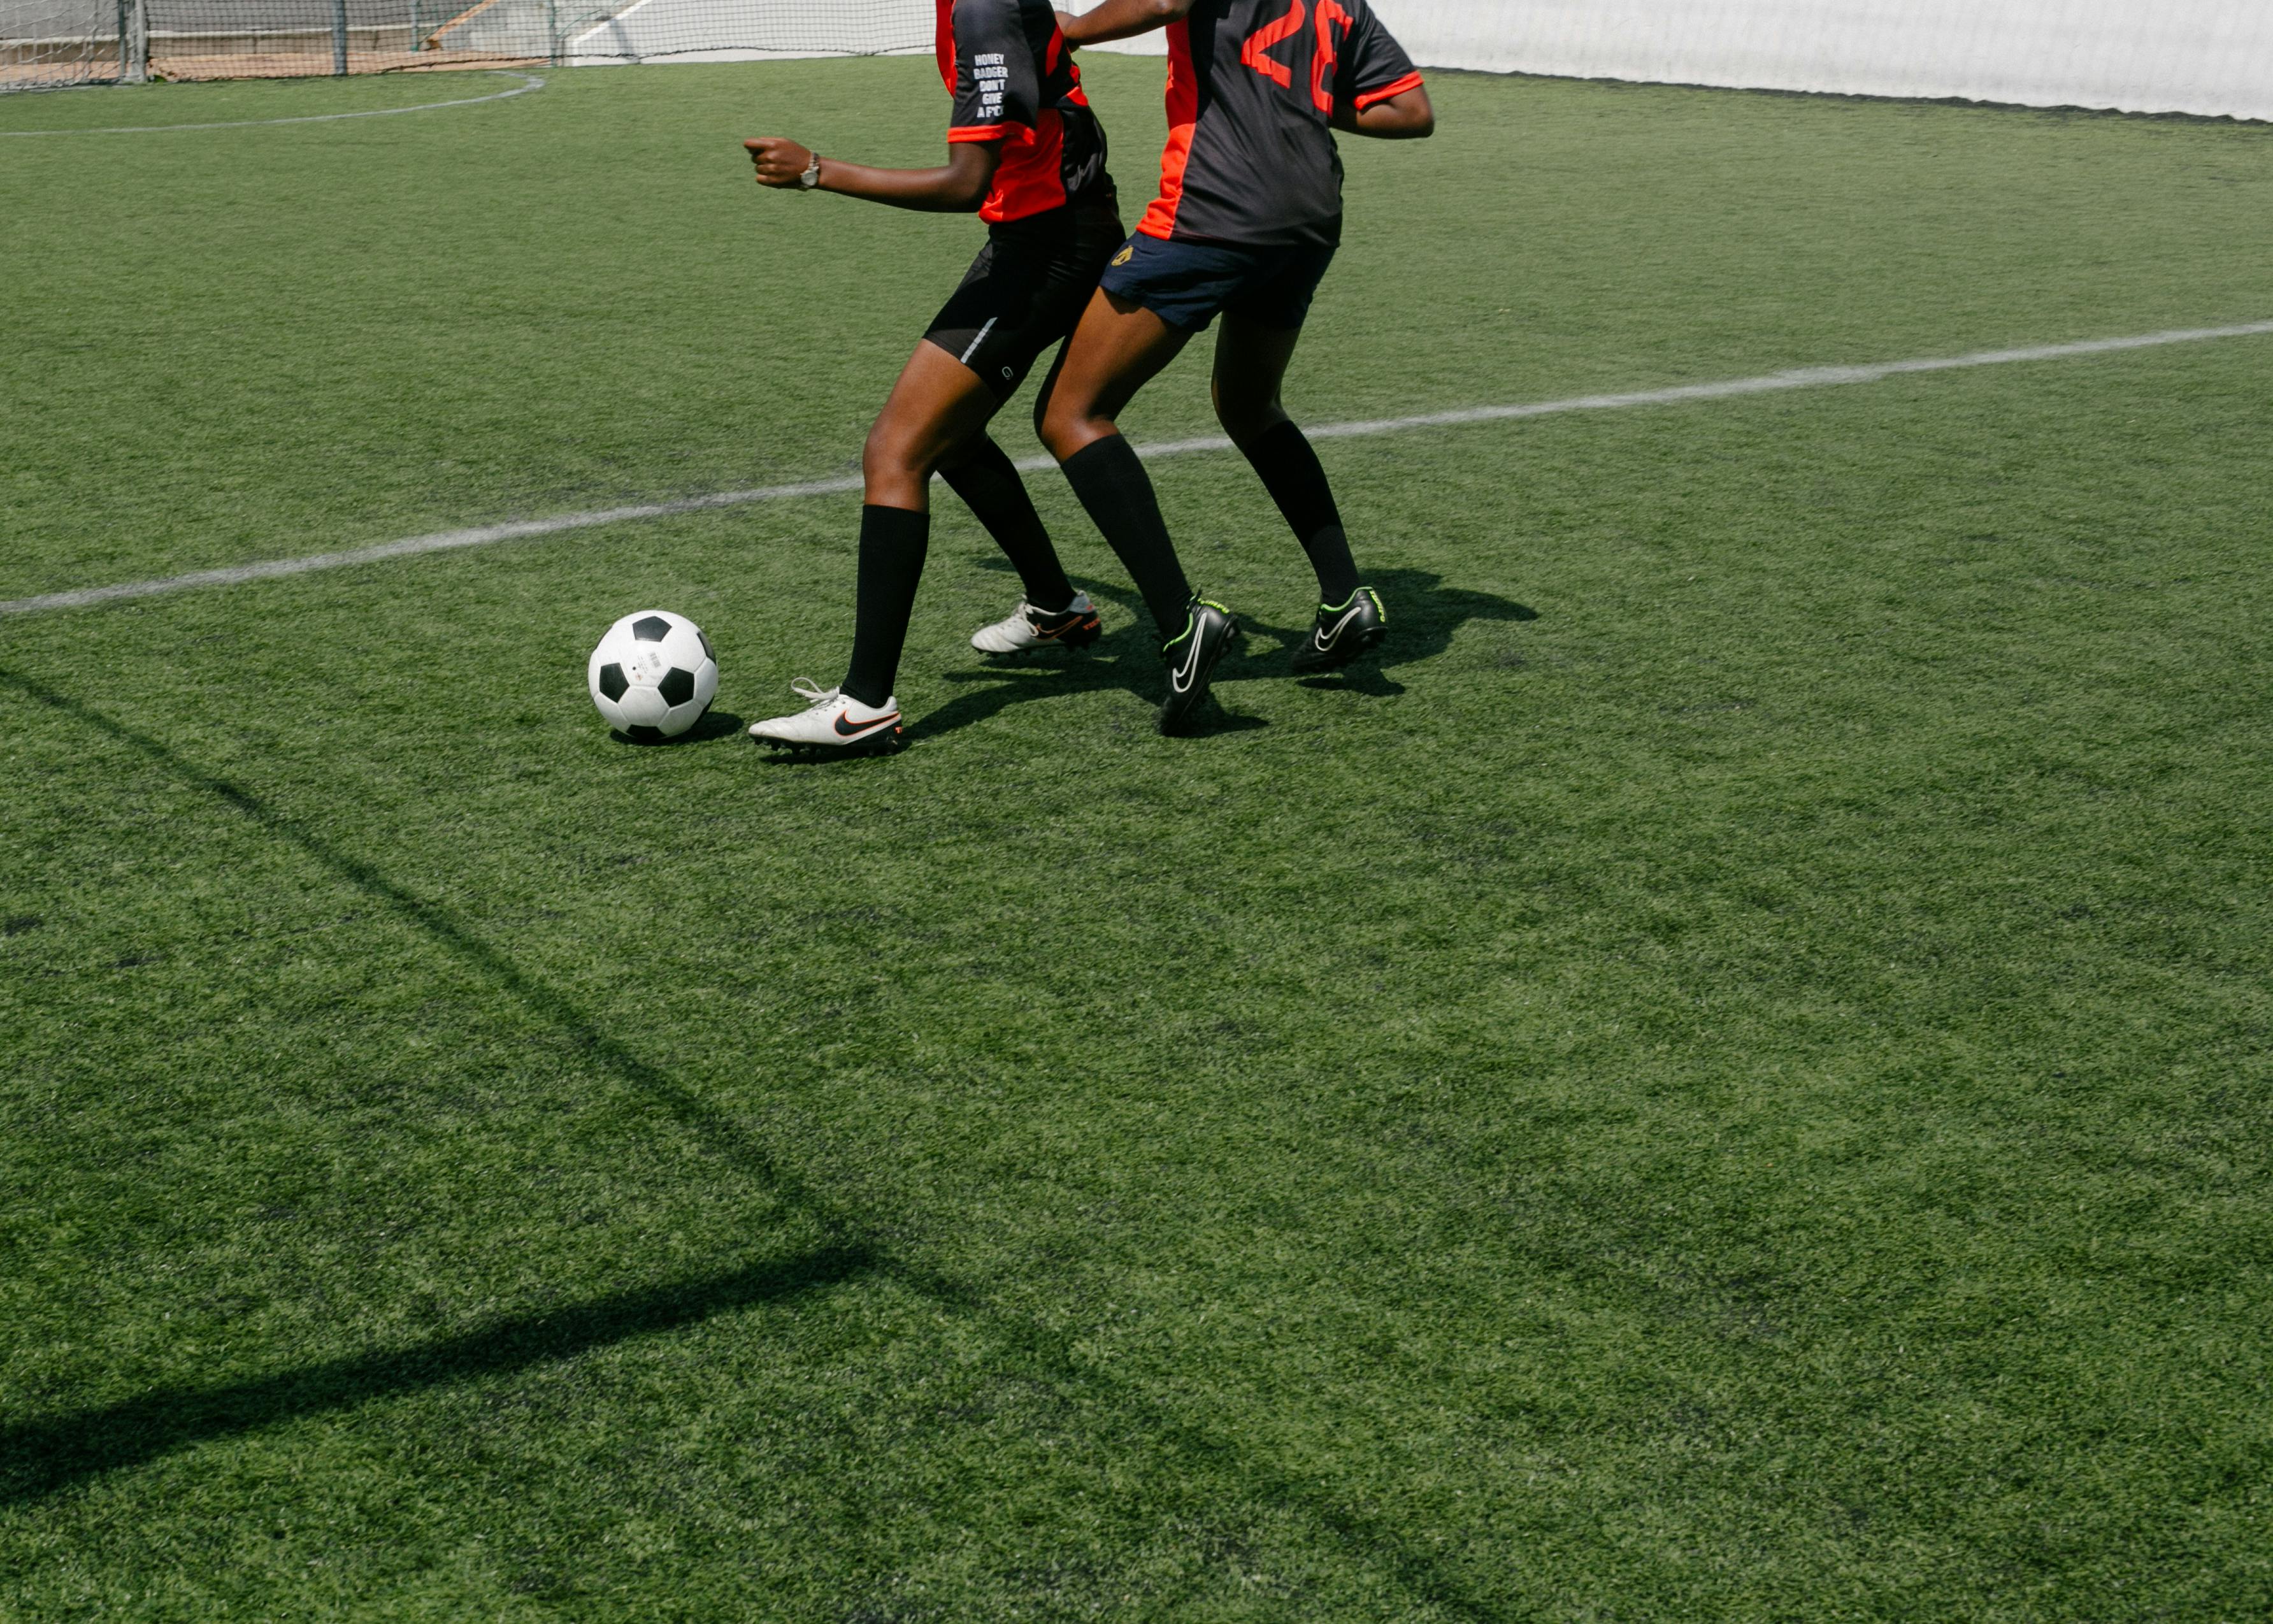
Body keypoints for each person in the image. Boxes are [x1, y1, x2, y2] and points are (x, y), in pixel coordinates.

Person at [1036, 0, 1434, 734]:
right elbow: (1411, 111)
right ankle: (1345, 597)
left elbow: (1163, 1)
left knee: (1070, 412)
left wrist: (1065, 30)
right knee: (1251, 406)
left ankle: (1183, 624)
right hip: (1308, 222)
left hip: (1211, 214)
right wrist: (1300, 105)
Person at [742, 1, 1124, 756]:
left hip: (1048, 246)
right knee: (950, 435)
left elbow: (964, 182)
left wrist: (818, 170)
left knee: (896, 450)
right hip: (1040, 230)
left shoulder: (982, 8)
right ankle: (1056, 606)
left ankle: (863, 705)